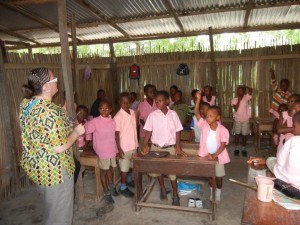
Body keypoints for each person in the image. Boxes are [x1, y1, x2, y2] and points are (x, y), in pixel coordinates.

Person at [19, 67, 85, 225]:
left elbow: (42, 131)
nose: (57, 81)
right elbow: (59, 147)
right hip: (56, 172)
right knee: (60, 217)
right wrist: (76, 132)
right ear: (46, 86)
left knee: (52, 211)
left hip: (39, 169)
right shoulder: (49, 112)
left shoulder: (27, 104)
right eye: (54, 79)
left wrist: (62, 121)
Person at [141, 90, 187, 206]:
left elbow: (178, 131)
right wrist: (145, 145)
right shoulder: (153, 115)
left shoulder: (173, 114)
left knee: (172, 173)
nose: (157, 103)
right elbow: (148, 132)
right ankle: (162, 189)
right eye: (156, 101)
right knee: (158, 171)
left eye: (160, 101)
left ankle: (175, 194)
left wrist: (178, 147)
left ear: (167, 101)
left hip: (170, 148)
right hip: (156, 148)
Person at [194, 91, 230, 204]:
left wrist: (215, 155)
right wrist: (198, 99)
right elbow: (196, 112)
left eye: (211, 116)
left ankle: (218, 194)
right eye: (207, 115)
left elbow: (223, 145)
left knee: (219, 177)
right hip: (206, 155)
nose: (207, 118)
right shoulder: (204, 124)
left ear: (218, 117)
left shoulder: (223, 130)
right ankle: (211, 192)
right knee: (210, 177)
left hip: (218, 157)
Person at [248, 111, 300, 188]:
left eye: (294, 126)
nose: (293, 128)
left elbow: (283, 170)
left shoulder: (294, 141)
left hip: (293, 189)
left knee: (255, 171)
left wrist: (268, 161)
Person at [85, 100, 119, 205]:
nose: (104, 110)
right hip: (102, 151)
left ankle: (111, 185)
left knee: (110, 169)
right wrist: (89, 143)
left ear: (111, 109)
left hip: (112, 149)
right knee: (104, 171)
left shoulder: (112, 121)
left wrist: (117, 149)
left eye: (107, 108)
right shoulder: (95, 121)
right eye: (101, 108)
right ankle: (105, 191)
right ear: (99, 109)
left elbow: (114, 136)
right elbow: (86, 130)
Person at [114, 92, 138, 197]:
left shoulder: (132, 112)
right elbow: (116, 134)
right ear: (120, 103)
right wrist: (119, 149)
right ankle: (123, 187)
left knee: (131, 166)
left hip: (133, 145)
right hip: (124, 147)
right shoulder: (118, 116)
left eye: (128, 102)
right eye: (123, 103)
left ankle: (128, 181)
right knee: (124, 168)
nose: (126, 104)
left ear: (130, 102)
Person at [231, 85, 253, 157]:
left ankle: (243, 149)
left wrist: (245, 86)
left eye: (241, 91)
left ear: (243, 92)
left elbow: (251, 90)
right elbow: (236, 109)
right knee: (237, 134)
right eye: (238, 90)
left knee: (244, 135)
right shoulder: (234, 100)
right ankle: (236, 148)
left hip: (245, 120)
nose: (239, 92)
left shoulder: (246, 98)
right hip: (237, 120)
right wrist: (239, 100)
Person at [136, 84, 157, 151]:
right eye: (150, 92)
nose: (153, 93)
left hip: (155, 132)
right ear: (145, 93)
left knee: (153, 150)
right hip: (144, 132)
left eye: (154, 92)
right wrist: (149, 129)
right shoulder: (142, 104)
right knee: (143, 149)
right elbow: (141, 119)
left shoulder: (156, 103)